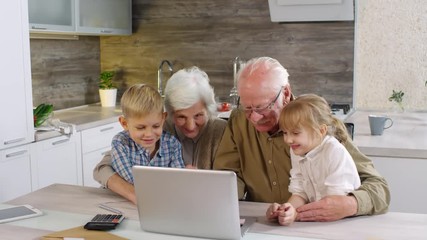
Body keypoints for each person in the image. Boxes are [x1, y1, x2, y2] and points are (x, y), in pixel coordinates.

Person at [213, 56, 390, 222]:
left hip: (319, 225)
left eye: (262, 107)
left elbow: (380, 188)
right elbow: (227, 177)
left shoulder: (318, 123)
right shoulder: (238, 121)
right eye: (247, 108)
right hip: (264, 224)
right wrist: (217, 198)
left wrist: (351, 204)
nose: (255, 117)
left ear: (286, 93)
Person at [93, 66, 227, 204]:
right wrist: (134, 194)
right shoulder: (160, 127)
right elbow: (102, 169)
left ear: (208, 110)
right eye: (181, 117)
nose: (190, 126)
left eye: (198, 115)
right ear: (169, 114)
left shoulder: (221, 131)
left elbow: (233, 183)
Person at [265, 94, 361, 225]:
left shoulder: (334, 152)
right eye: (285, 133)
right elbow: (300, 191)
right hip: (319, 223)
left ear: (321, 131)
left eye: (295, 133)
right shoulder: (298, 149)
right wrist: (287, 210)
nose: (287, 140)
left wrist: (297, 215)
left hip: (343, 224)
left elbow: (332, 205)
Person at [111, 84, 185, 184]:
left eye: (156, 126)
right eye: (141, 128)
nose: (149, 134)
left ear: (163, 119)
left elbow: (179, 180)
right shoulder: (120, 143)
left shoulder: (172, 143)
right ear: (124, 123)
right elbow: (132, 181)